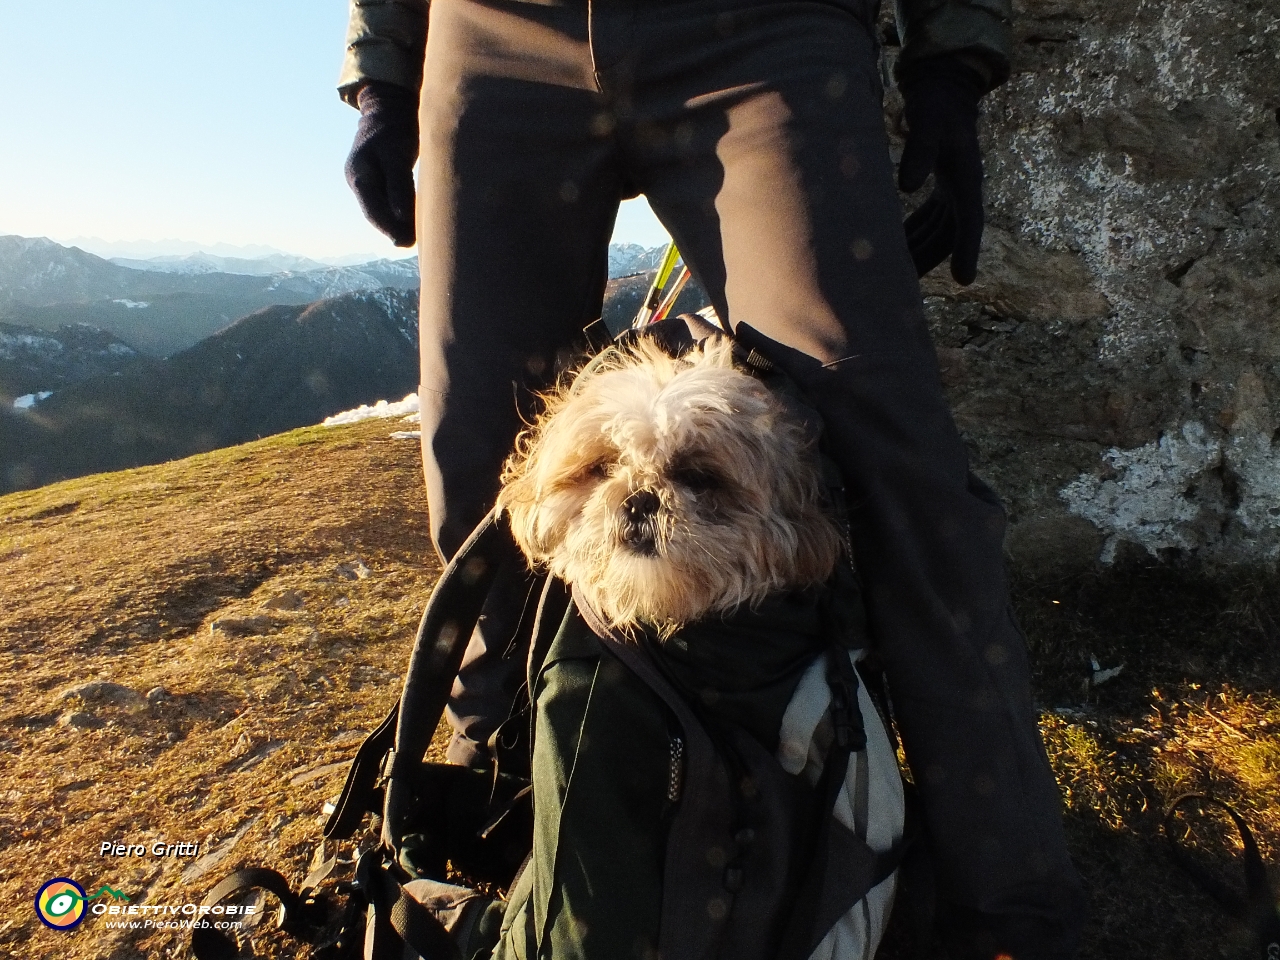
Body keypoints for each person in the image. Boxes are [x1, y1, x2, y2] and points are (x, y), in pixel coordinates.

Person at [337, 1, 1087, 957]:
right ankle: (525, 829)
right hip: (491, 36)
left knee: (905, 477)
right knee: (481, 473)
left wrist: (953, 58)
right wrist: (383, 75)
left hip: (764, 28)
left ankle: (1010, 911)